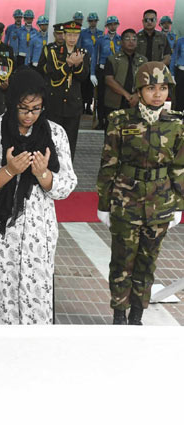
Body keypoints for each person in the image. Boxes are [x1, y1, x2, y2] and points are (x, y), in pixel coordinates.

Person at [0, 68, 77, 325]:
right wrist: (9, 171)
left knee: (34, 297)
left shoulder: (55, 134)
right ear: (11, 103)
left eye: (36, 109)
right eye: (23, 109)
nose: (29, 116)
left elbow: (67, 185)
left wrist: (43, 174)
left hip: (37, 233)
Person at [96, 62, 183, 325]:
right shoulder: (120, 120)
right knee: (122, 262)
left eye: (163, 88)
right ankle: (119, 316)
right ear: (139, 90)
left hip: (160, 203)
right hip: (126, 201)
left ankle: (137, 316)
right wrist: (104, 203)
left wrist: (178, 205)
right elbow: (109, 163)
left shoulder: (176, 123)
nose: (158, 94)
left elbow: (179, 168)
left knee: (147, 262)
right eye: (151, 88)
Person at [43, 20, 90, 160]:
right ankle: (50, 165)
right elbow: (52, 74)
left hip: (73, 103)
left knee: (70, 141)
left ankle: (67, 167)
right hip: (55, 102)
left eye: (75, 35)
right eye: (69, 35)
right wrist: (68, 65)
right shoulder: (54, 52)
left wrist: (77, 65)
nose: (72, 38)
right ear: (63, 35)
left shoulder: (83, 53)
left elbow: (83, 77)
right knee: (52, 138)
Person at [103, 29, 147, 123]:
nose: (131, 41)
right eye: (127, 38)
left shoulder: (143, 60)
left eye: (134, 39)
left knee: (135, 130)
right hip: (114, 103)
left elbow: (146, 81)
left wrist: (137, 95)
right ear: (121, 42)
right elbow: (109, 80)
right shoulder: (112, 59)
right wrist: (127, 95)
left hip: (137, 103)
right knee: (112, 130)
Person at [92, 16, 121, 129]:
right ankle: (101, 120)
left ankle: (112, 121)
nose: (112, 26)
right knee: (101, 96)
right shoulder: (100, 40)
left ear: (117, 25)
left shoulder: (120, 39)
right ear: (107, 26)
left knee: (114, 96)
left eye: (114, 24)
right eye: (110, 24)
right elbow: (95, 57)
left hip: (116, 71)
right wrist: (92, 73)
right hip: (102, 70)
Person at [79, 13, 103, 115]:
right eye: (91, 21)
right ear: (88, 22)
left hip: (95, 63)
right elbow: (79, 47)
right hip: (84, 62)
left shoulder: (101, 34)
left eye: (95, 21)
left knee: (92, 86)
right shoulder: (83, 33)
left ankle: (89, 105)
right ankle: (81, 105)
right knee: (83, 85)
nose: (93, 23)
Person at [172, 35, 184, 111]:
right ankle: (179, 115)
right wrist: (172, 74)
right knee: (179, 96)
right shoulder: (180, 41)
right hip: (181, 72)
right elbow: (174, 57)